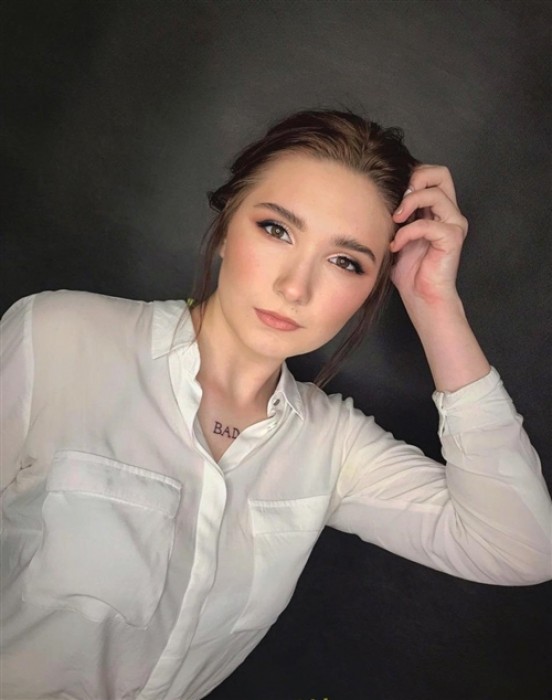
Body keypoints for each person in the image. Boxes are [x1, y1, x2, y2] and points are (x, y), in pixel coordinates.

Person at [0, 109, 550, 700]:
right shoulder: (60, 338)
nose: (295, 287)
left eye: (345, 261)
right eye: (276, 229)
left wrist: (434, 303)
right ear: (226, 226)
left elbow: (518, 549)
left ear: (371, 288)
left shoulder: (332, 445)